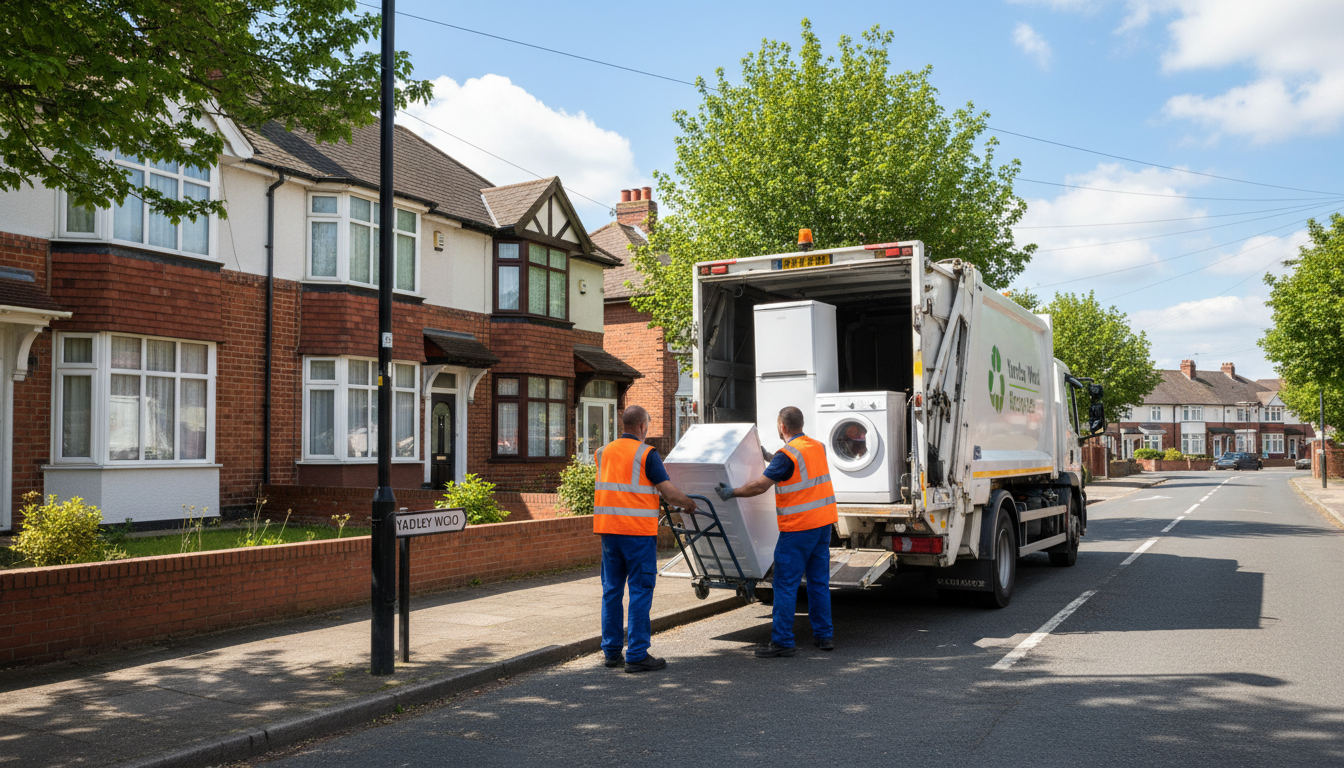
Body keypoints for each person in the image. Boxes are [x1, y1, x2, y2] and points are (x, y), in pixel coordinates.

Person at [716, 406, 836, 657]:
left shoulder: (786, 456)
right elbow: (799, 469)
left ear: (782, 426)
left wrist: (732, 492)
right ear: (801, 424)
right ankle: (824, 636)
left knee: (785, 585)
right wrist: (771, 456)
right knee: (818, 583)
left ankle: (782, 641)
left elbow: (760, 486)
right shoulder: (818, 447)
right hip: (823, 526)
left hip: (798, 530)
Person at [594, 405, 699, 673]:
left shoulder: (602, 453)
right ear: (642, 426)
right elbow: (669, 493)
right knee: (640, 591)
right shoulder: (647, 454)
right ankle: (638, 653)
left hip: (608, 532)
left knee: (612, 591)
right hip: (637, 534)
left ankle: (612, 652)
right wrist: (688, 504)